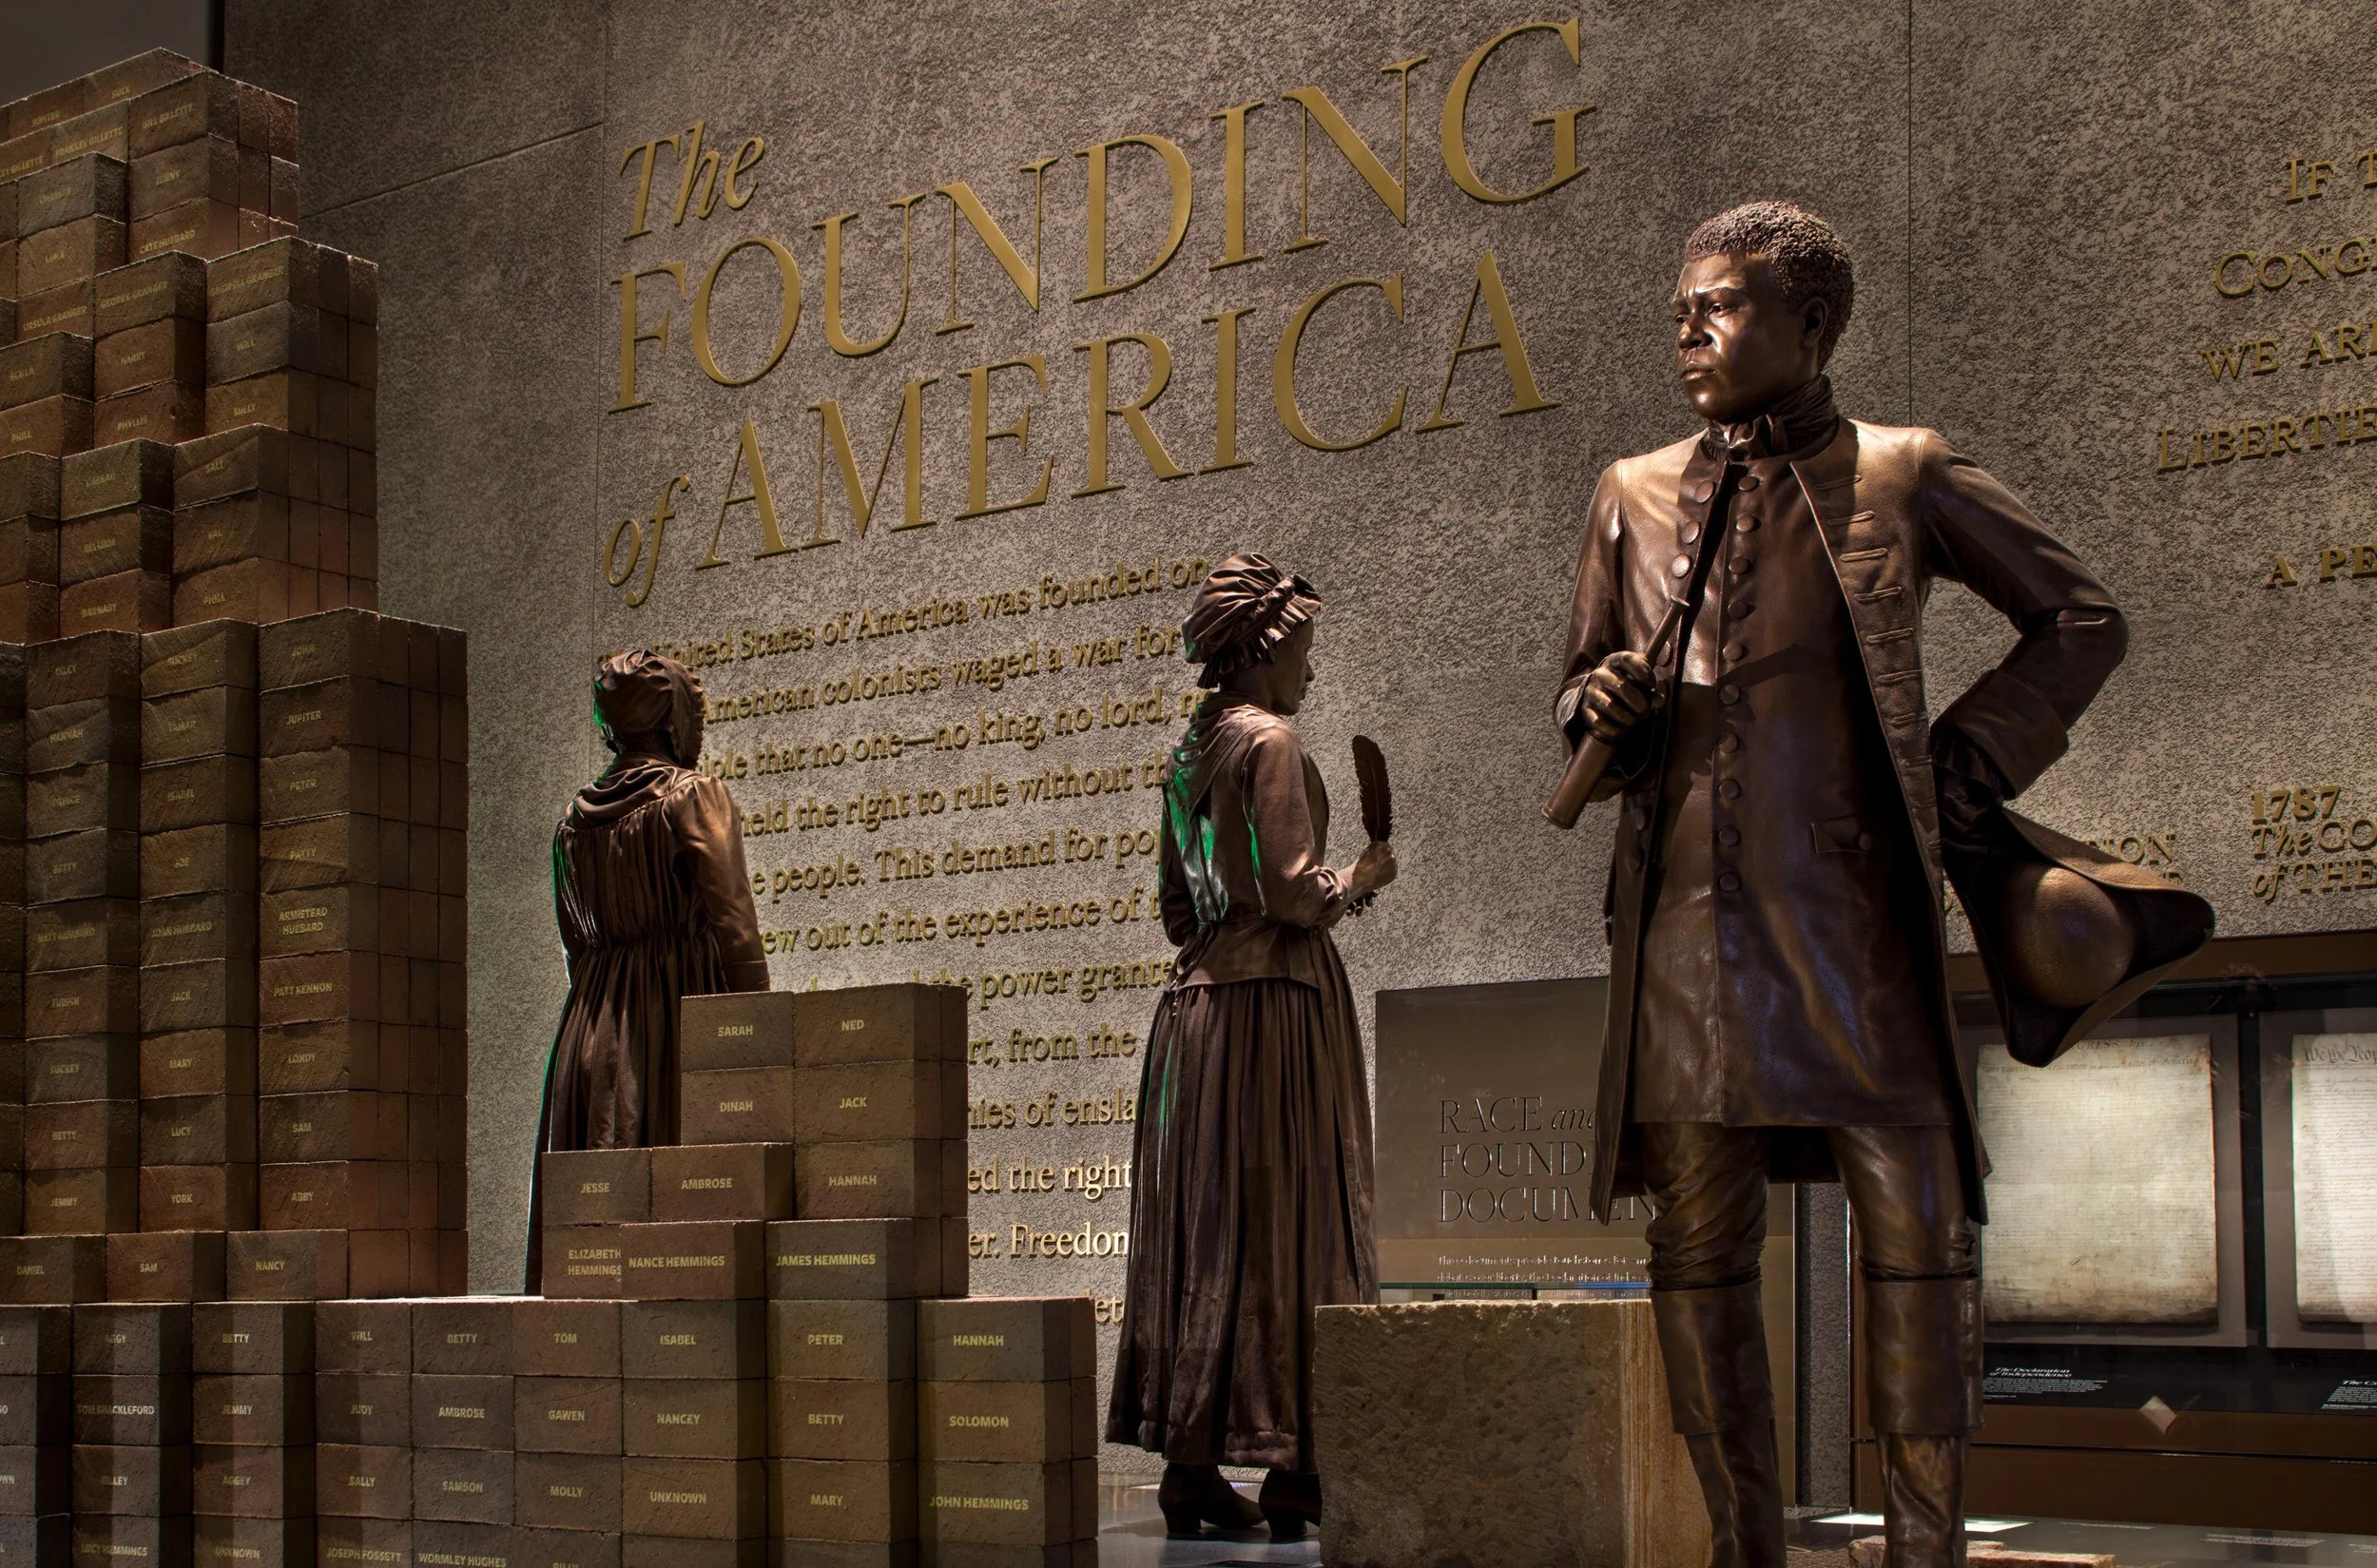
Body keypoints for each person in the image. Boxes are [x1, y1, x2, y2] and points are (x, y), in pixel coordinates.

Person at [1560, 202, 2139, 1568]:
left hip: (1859, 921)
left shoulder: (1905, 470)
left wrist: (1964, 761)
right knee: (1695, 1251)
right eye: (1681, 304)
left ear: (1814, 325)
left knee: (1920, 1243)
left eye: (1724, 304)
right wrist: (1603, 700)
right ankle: (1742, 1542)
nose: (1687, 328)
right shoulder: (1629, 492)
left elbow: (2081, 618)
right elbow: (1578, 697)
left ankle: (1924, 1544)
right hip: (1688, 937)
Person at [1108, 554, 1398, 1541]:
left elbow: (1175, 908)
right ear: (1268, 649)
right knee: (1295, 1221)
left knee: (1211, 1231)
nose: (1310, 672)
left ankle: (1192, 1465)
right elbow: (1289, 890)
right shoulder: (1270, 742)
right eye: (1304, 652)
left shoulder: (1190, 752)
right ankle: (1296, 1468)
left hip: (1196, 1019)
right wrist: (1363, 871)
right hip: (1274, 1012)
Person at [525, 648, 768, 1289]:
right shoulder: (694, 800)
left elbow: (578, 945)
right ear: (672, 718)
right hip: (674, 1020)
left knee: (596, 1252)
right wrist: (762, 1047)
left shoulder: (573, 825)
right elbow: (737, 930)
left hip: (590, 1033)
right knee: (680, 1244)